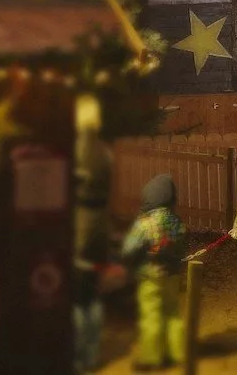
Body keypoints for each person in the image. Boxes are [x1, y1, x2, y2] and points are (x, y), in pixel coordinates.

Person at [122, 174, 187, 371]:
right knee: (173, 313)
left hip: (150, 276)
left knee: (151, 315)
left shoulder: (145, 223)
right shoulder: (176, 222)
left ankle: (152, 357)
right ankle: (177, 353)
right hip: (172, 275)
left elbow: (129, 248)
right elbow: (182, 244)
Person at [72, 95, 114, 374]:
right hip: (101, 225)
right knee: (94, 295)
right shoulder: (105, 152)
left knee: (78, 296)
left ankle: (80, 356)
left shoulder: (76, 150)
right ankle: (93, 353)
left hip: (81, 227)